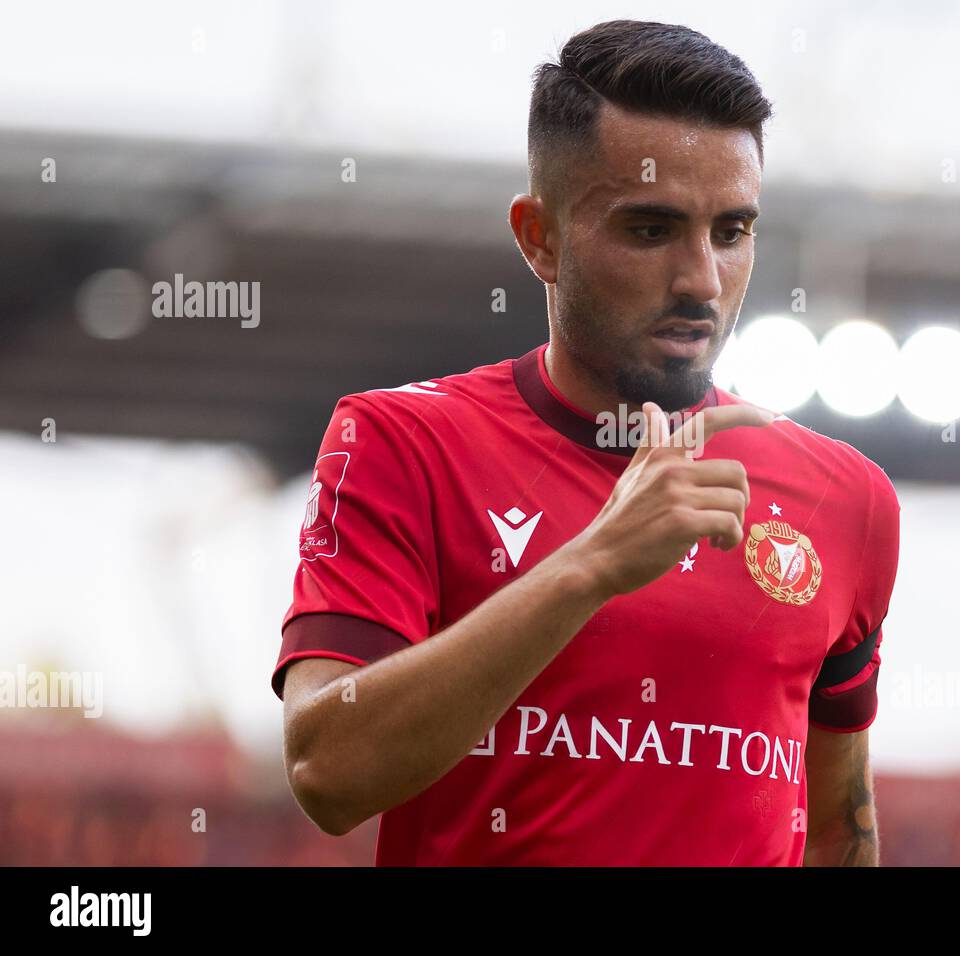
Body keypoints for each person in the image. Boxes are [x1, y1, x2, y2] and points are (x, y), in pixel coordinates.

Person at [273, 18, 900, 866]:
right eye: (651, 230)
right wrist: (591, 564)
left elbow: (836, 830)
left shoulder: (847, 500)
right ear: (541, 238)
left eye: (731, 231)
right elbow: (327, 769)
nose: (701, 281)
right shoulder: (403, 441)